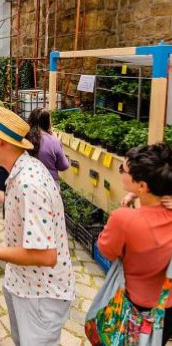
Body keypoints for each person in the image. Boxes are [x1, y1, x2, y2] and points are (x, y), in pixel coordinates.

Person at [0, 108, 75, 346]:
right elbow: (33, 208)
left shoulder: (28, 183)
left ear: (2, 142)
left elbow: (45, 255)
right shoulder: (23, 171)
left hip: (40, 294)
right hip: (22, 283)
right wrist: (1, 195)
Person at [97, 143, 172, 345]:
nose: (121, 172)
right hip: (166, 311)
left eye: (123, 170)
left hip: (135, 311)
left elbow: (106, 249)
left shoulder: (124, 219)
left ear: (142, 185)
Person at [26, 108, 69, 183]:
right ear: (47, 123)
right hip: (50, 184)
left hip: (27, 181)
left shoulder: (25, 138)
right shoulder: (54, 141)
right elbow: (63, 166)